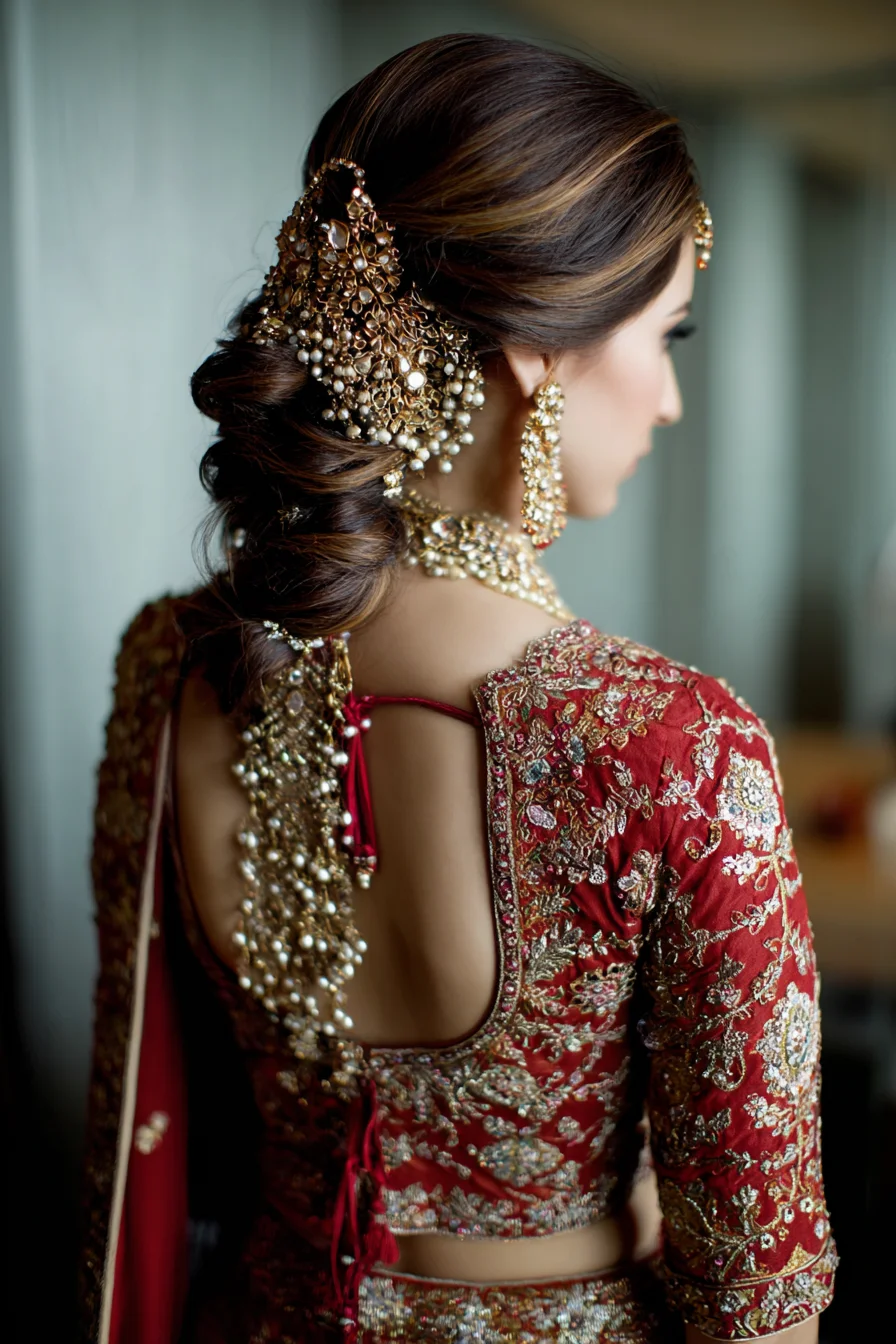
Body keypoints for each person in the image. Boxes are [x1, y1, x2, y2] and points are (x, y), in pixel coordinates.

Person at [78, 33, 837, 1344]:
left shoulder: (172, 664)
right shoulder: (671, 746)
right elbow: (759, 1307)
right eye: (665, 336)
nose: (666, 402)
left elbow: (142, 1128)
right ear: (540, 352)